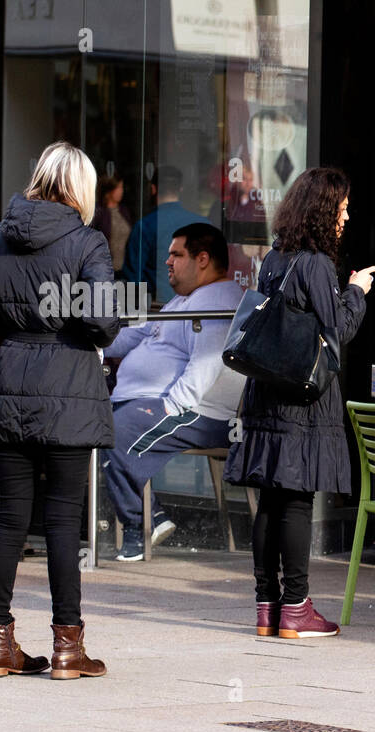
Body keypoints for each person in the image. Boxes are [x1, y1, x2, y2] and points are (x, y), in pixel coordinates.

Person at [0, 141, 120, 680]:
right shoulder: (87, 240)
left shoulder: (0, 234)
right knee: (64, 518)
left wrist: (20, 321)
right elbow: (102, 322)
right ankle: (69, 648)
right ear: (81, 189)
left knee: (10, 518)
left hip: (16, 379)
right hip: (70, 381)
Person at [225, 167, 375, 640]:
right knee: (295, 498)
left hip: (267, 391)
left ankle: (267, 607)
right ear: (324, 210)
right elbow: (335, 336)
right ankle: (297, 607)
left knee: (270, 498)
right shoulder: (314, 264)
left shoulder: (275, 257)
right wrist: (357, 292)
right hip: (302, 399)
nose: (347, 218)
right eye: (343, 208)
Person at [102, 222, 246, 560]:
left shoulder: (220, 299)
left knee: (111, 431)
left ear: (203, 259)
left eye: (176, 255)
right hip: (154, 404)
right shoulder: (183, 301)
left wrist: (172, 406)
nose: (167, 262)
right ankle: (150, 517)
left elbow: (207, 363)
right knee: (93, 424)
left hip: (200, 412)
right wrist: (93, 341)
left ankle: (142, 525)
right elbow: (135, 335)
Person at [121, 165, 209, 305]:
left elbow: (133, 279)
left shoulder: (145, 226)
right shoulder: (204, 224)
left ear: (153, 189)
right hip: (198, 308)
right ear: (180, 189)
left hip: (159, 310)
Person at [91, 174, 133, 272]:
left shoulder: (124, 211)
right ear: (108, 191)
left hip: (124, 270)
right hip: (104, 270)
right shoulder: (98, 213)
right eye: (118, 188)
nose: (121, 191)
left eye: (122, 187)